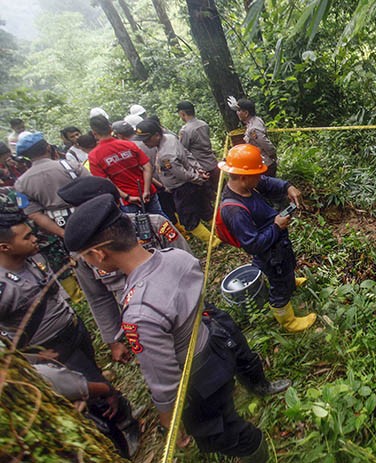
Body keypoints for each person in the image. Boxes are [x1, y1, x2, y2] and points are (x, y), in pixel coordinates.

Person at [63, 195, 289, 462]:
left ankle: (255, 450)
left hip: (198, 375)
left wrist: (169, 418)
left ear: (99, 254)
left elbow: (164, 378)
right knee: (225, 410)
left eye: (87, 257)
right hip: (216, 342)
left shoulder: (139, 313)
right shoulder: (176, 257)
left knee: (219, 430)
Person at [0, 194, 140, 456]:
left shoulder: (32, 258)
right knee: (89, 390)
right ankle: (121, 427)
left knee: (93, 376)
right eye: (26, 237)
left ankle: (122, 411)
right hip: (50, 348)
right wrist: (31, 356)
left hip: (72, 328)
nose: (34, 239)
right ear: (4, 247)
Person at [58, 176, 189, 363]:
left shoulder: (155, 225)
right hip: (147, 326)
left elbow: (188, 264)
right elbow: (98, 297)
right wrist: (113, 339)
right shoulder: (85, 253)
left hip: (185, 307)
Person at [217, 144, 316, 332]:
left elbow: (267, 183)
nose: (260, 177)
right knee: (278, 283)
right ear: (244, 177)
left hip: (277, 243)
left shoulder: (246, 185)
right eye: (256, 174)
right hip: (269, 251)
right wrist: (276, 227)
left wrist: (288, 187)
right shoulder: (234, 210)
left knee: (286, 267)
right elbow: (253, 244)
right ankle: (288, 321)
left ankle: (290, 281)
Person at [13, 132, 89, 302]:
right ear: (47, 146)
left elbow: (34, 214)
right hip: (87, 216)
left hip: (57, 226)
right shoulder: (69, 165)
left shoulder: (22, 183)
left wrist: (62, 233)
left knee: (74, 263)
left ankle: (80, 298)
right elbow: (94, 187)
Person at [134, 119, 217, 248]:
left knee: (188, 219)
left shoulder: (166, 154)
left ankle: (213, 241)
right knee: (204, 208)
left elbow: (181, 173)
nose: (145, 143)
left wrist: (197, 177)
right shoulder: (170, 138)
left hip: (182, 188)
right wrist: (198, 169)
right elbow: (187, 154)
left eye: (147, 139)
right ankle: (220, 232)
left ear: (156, 135)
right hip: (189, 183)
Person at [87, 115, 164, 217]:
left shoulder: (94, 156)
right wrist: (146, 191)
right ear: (110, 129)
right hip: (148, 192)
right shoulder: (128, 145)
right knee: (161, 221)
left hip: (128, 200)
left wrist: (127, 197)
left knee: (138, 228)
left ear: (94, 133)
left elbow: (106, 183)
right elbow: (147, 167)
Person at [177, 101, 220, 194]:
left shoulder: (185, 130)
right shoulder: (203, 124)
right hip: (212, 162)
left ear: (182, 113)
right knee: (220, 190)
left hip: (201, 168)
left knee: (207, 197)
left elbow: (183, 150)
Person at [228, 97, 277, 177]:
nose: (237, 113)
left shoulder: (253, 129)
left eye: (239, 111)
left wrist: (273, 155)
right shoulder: (256, 120)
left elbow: (265, 144)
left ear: (246, 113)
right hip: (262, 162)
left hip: (265, 163)